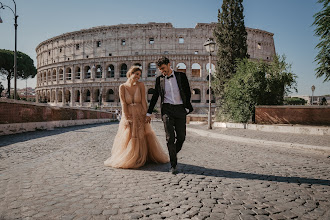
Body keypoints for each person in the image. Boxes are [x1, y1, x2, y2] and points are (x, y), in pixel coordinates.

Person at [104, 66, 169, 169]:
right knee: (129, 135)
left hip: (140, 112)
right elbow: (123, 103)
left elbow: (143, 101)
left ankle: (141, 157)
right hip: (129, 113)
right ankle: (131, 157)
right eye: (137, 74)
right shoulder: (122, 87)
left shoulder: (141, 85)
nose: (138, 77)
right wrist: (125, 117)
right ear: (131, 73)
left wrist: (146, 114)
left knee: (141, 134)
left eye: (139, 75)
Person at [146, 57, 193, 174]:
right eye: (160, 69)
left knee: (181, 137)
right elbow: (155, 97)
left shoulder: (181, 76)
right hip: (167, 110)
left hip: (180, 109)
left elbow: (187, 91)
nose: (162, 71)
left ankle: (172, 153)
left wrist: (186, 106)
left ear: (169, 64)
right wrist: (149, 112)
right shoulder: (159, 80)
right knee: (170, 138)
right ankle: (173, 165)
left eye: (163, 68)